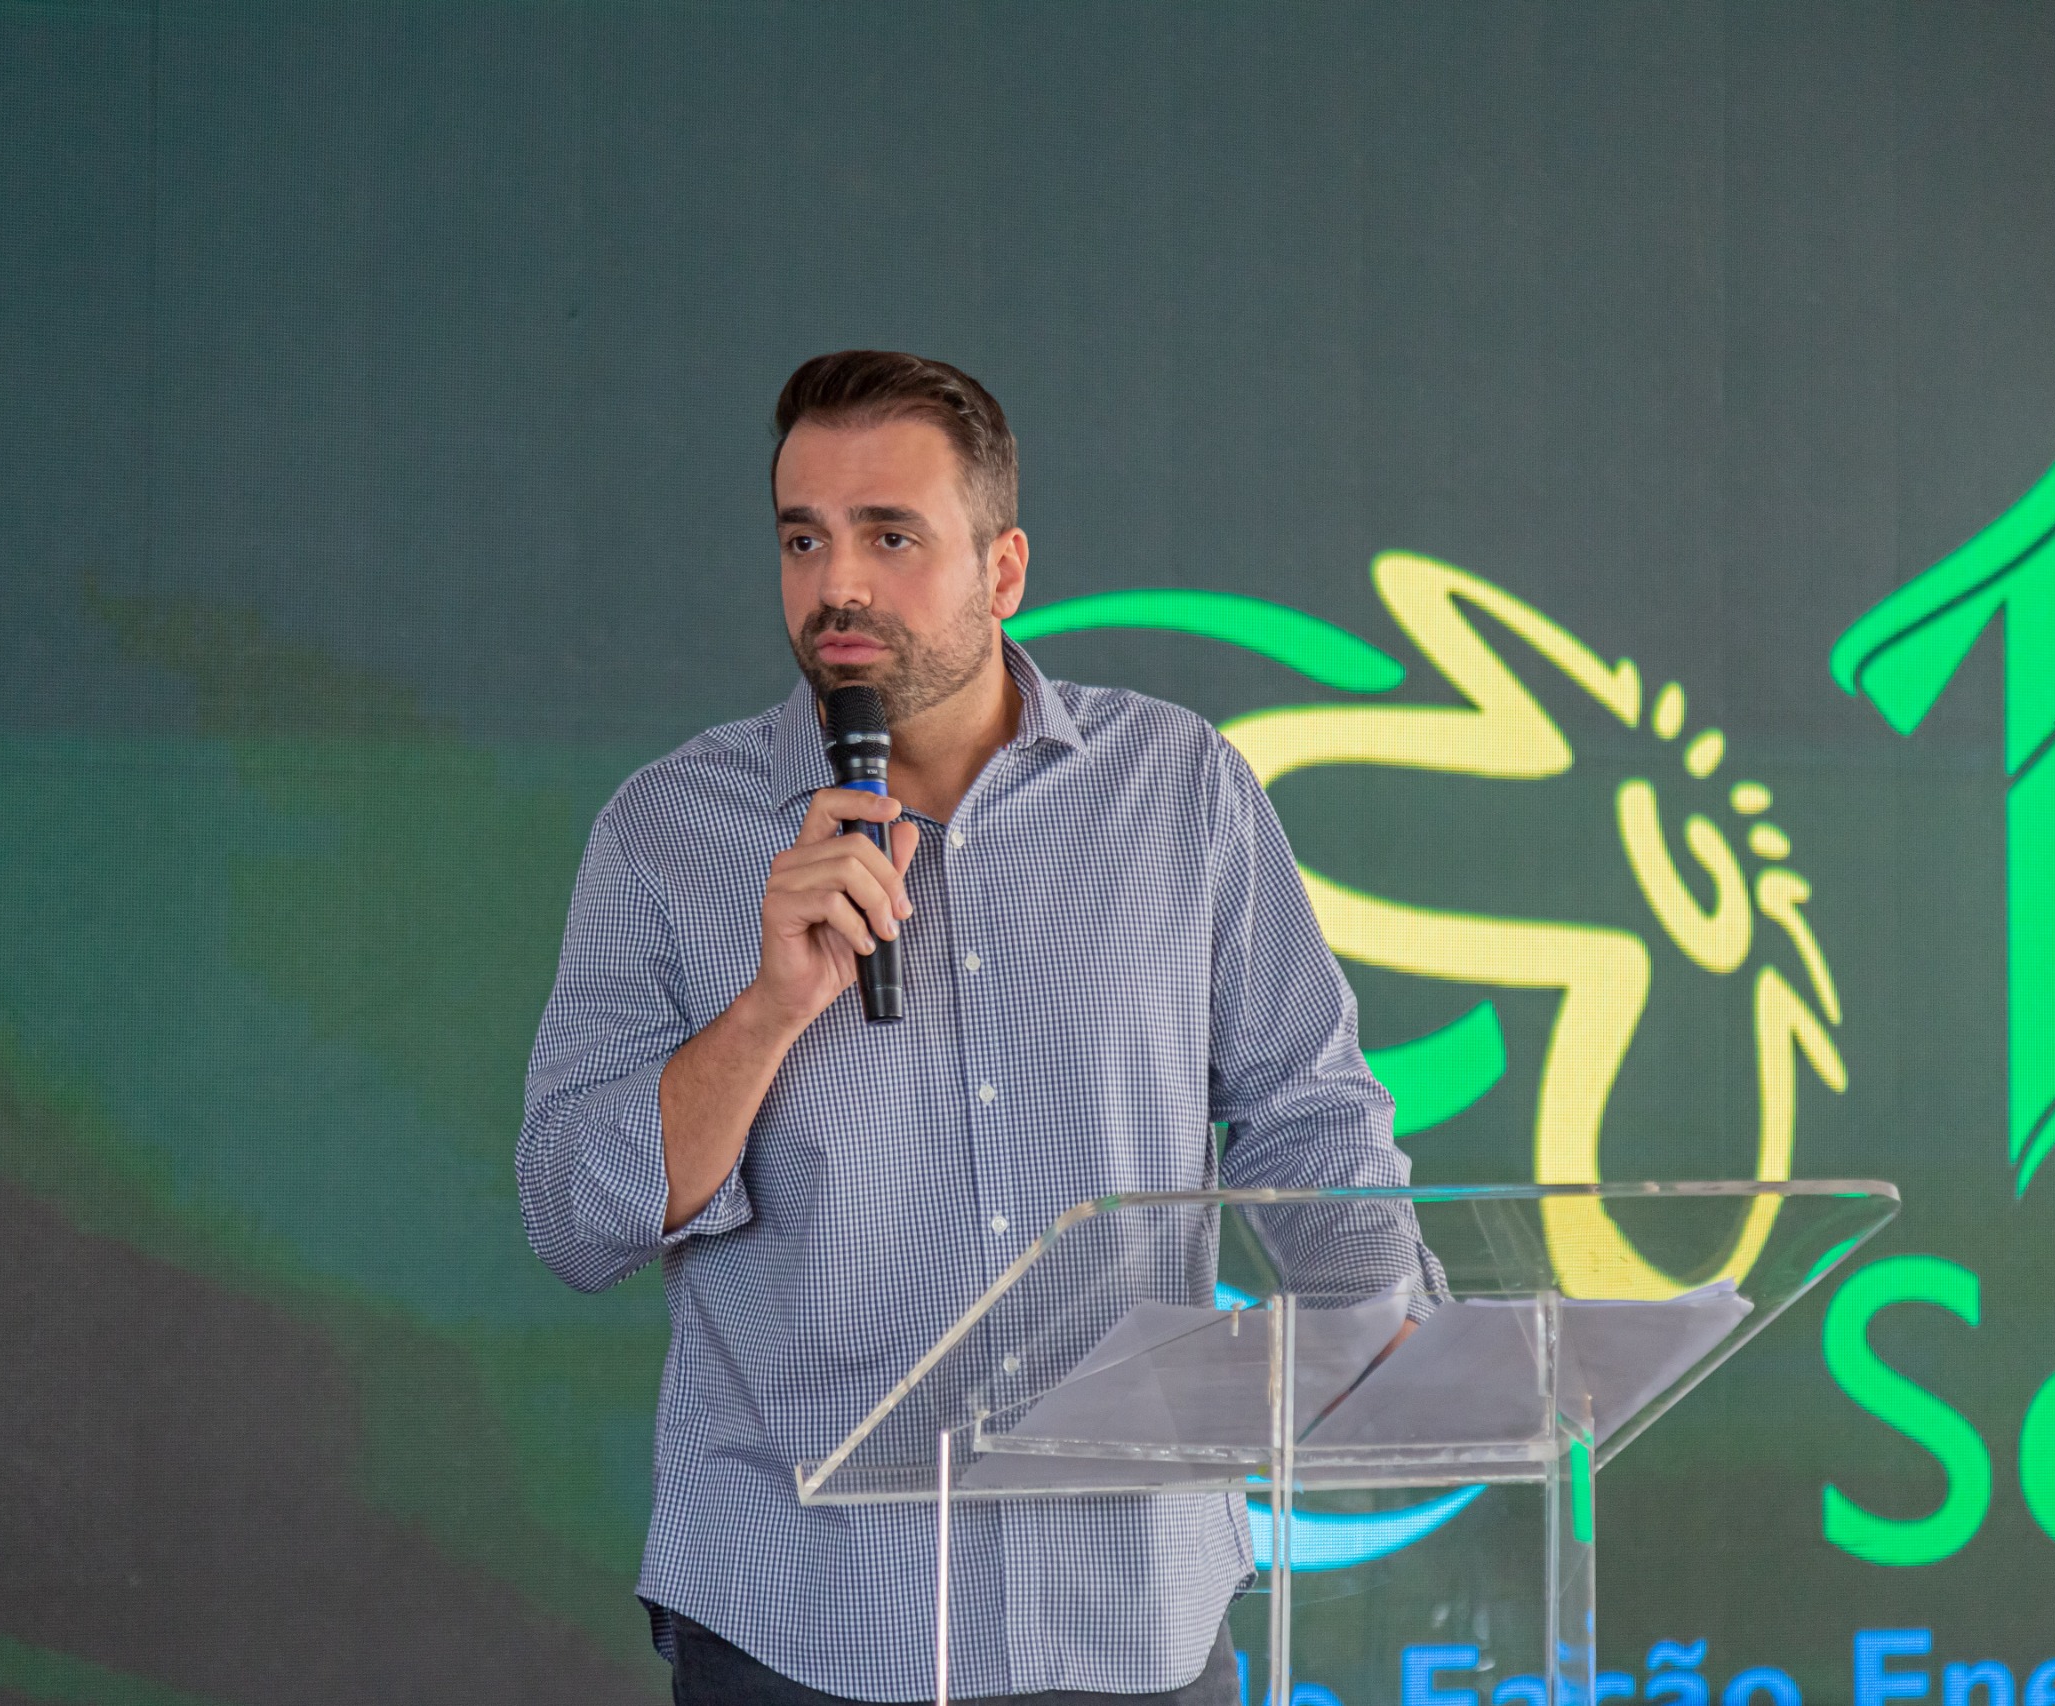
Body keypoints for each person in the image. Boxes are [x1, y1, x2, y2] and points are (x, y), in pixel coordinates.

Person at [519, 350, 1439, 1705]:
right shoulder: (668, 831)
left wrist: (1403, 1347)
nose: (838, 585)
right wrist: (769, 1010)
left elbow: (1306, 1112)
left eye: (890, 537)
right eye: (804, 539)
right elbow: (572, 1214)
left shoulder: (1178, 787)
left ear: (1004, 572)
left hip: (1128, 1611)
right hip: (808, 1618)